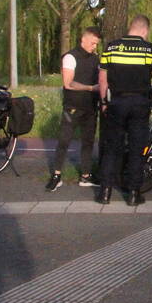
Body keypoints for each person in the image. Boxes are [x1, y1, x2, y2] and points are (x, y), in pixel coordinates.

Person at [97, 15, 152, 206]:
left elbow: (102, 80)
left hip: (116, 102)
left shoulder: (111, 47)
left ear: (130, 27)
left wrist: (103, 102)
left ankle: (105, 192)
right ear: (145, 30)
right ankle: (133, 194)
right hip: (139, 104)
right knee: (136, 148)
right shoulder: (149, 50)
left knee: (111, 148)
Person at [46, 27, 103, 191]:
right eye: (93, 43)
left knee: (88, 141)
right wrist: (92, 88)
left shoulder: (95, 58)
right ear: (83, 39)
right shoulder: (70, 57)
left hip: (91, 107)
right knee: (64, 140)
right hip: (73, 106)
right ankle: (56, 176)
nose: (94, 47)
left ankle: (86, 176)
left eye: (96, 44)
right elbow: (68, 83)